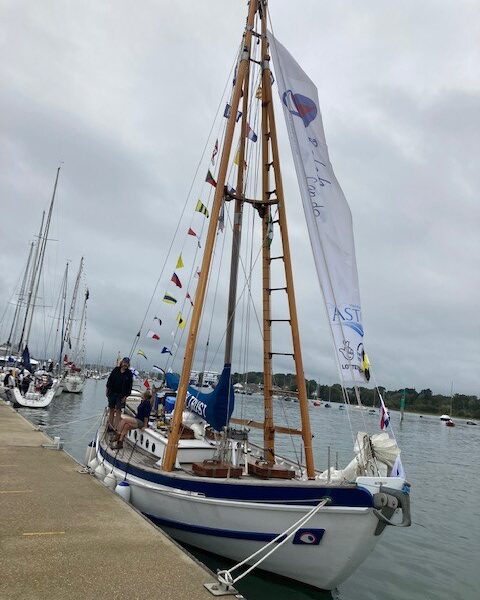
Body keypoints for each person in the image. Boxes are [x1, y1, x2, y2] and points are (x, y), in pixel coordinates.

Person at [106, 357, 133, 431]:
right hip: (112, 393)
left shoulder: (129, 374)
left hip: (121, 395)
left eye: (127, 363)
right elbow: (109, 380)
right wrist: (107, 390)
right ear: (122, 362)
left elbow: (130, 386)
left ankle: (116, 427)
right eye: (124, 363)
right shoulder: (116, 370)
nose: (125, 364)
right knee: (111, 409)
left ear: (128, 364)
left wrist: (126, 396)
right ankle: (110, 426)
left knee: (118, 411)